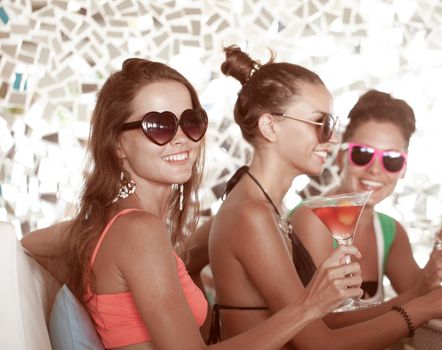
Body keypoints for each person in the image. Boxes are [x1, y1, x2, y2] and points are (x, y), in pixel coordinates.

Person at [21, 57, 365, 350]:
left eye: (191, 122)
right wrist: (308, 306)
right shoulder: (138, 229)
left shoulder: (114, 226)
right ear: (117, 145)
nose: (181, 138)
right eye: (158, 125)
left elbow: (24, 245)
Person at [209, 45, 442, 349]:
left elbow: (317, 324)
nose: (331, 138)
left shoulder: (265, 209)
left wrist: (425, 296)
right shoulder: (253, 213)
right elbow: (319, 342)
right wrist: (422, 306)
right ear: (270, 126)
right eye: (321, 123)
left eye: (331, 125)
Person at [290, 90, 442, 307]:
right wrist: (421, 293)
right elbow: (323, 326)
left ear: (403, 169)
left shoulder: (390, 231)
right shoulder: (313, 218)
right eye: (362, 154)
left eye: (391, 159)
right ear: (340, 157)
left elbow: (423, 294)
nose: (375, 170)